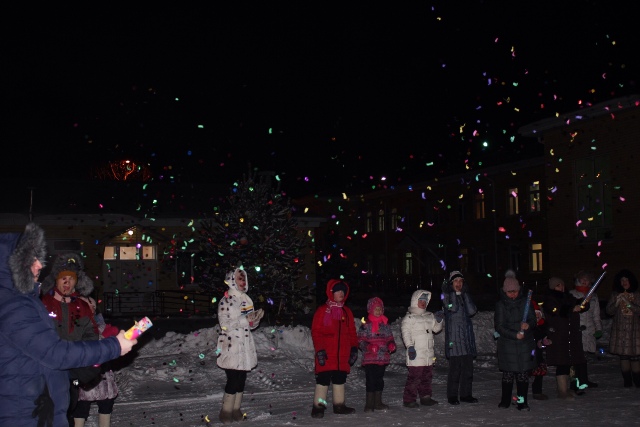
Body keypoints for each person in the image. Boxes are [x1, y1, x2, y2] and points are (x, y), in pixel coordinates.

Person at [0, 222, 137, 427]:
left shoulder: (32, 301)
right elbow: (54, 352)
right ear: (14, 264)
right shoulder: (17, 306)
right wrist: (114, 346)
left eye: (38, 259)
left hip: (45, 400)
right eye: (31, 260)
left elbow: (40, 354)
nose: (39, 265)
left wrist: (80, 368)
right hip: (27, 413)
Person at [40, 252, 101, 426]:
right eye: (63, 278)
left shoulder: (82, 306)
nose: (67, 283)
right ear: (56, 280)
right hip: (47, 373)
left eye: (71, 278)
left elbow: (91, 335)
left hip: (72, 372)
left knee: (68, 411)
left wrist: (81, 355)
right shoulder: (43, 304)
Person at [216, 267, 264, 424]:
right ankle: (226, 411)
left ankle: (236, 409)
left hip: (244, 345)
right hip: (231, 346)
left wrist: (254, 320)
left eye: (244, 279)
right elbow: (224, 325)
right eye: (239, 279)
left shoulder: (247, 299)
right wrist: (245, 320)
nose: (243, 282)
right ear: (232, 281)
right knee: (233, 379)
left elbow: (250, 326)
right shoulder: (225, 301)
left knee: (241, 379)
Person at [310, 279, 358, 418]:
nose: (341, 293)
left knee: (340, 378)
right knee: (323, 380)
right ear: (331, 293)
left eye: (343, 291)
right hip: (326, 353)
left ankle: (339, 405)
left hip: (342, 354)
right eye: (338, 291)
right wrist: (319, 349)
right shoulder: (322, 310)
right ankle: (318, 407)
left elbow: (352, 332)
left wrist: (354, 348)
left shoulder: (346, 312)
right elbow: (316, 332)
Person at [74, 296, 121, 427]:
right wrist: (101, 339)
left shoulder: (102, 326)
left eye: (94, 306)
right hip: (84, 374)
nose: (92, 308)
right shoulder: (75, 326)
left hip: (103, 373)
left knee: (106, 405)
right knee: (80, 408)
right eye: (88, 305)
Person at [494, 270, 536, 411]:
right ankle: (505, 400)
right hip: (508, 345)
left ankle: (522, 402)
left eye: (515, 291)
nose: (513, 294)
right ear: (505, 291)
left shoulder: (525, 302)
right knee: (508, 374)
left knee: (523, 375)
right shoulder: (501, 305)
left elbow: (533, 319)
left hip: (524, 344)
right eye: (510, 292)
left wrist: (528, 325)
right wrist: (514, 334)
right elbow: (499, 326)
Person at [543, 276, 589, 400]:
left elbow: (579, 305)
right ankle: (562, 391)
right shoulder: (549, 299)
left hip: (570, 335)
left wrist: (584, 302)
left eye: (562, 284)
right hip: (558, 335)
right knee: (562, 362)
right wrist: (571, 309)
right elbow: (556, 310)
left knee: (570, 362)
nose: (561, 287)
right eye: (558, 285)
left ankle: (567, 388)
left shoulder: (569, 297)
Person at [400, 289, 443, 408]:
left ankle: (425, 397)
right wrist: (410, 346)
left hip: (428, 354)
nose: (423, 303)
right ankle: (409, 399)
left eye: (425, 301)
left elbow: (436, 329)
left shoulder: (429, 315)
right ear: (415, 301)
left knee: (427, 377)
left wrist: (439, 321)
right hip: (416, 353)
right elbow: (406, 334)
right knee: (414, 377)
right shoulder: (409, 318)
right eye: (421, 300)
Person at [442, 270, 479, 405]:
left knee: (468, 370)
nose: (458, 284)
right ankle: (452, 396)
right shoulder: (446, 297)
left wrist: (465, 295)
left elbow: (472, 311)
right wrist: (455, 295)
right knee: (455, 371)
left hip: (466, 338)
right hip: (454, 340)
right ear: (451, 283)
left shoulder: (465, 295)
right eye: (456, 281)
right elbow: (451, 308)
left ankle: (466, 394)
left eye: (461, 281)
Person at [357, 296, 396, 412]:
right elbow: (360, 341)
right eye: (376, 309)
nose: (378, 311)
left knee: (379, 380)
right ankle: (369, 404)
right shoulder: (366, 325)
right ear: (370, 310)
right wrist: (368, 347)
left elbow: (390, 338)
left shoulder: (385, 325)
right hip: (370, 359)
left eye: (380, 309)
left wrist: (391, 344)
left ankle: (378, 402)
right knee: (371, 380)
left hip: (382, 358)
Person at [605, 269, 640, 387]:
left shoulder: (637, 294)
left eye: (626, 280)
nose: (624, 282)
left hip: (634, 331)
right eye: (622, 280)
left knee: (635, 357)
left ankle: (637, 380)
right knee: (624, 356)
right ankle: (627, 381)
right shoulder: (615, 294)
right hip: (620, 330)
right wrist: (616, 303)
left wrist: (629, 303)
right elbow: (609, 311)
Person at [569, 270, 603, 390]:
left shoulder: (593, 296)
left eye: (587, 279)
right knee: (574, 358)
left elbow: (596, 315)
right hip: (576, 330)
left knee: (584, 357)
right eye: (582, 279)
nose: (584, 281)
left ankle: (584, 380)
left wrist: (598, 328)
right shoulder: (571, 294)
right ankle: (574, 381)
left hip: (589, 330)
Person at [530, 300, 551, 400]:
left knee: (539, 371)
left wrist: (544, 342)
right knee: (526, 372)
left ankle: (537, 391)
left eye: (538, 314)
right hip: (530, 352)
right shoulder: (529, 327)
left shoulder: (543, 326)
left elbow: (544, 337)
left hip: (538, 353)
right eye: (535, 315)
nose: (537, 316)